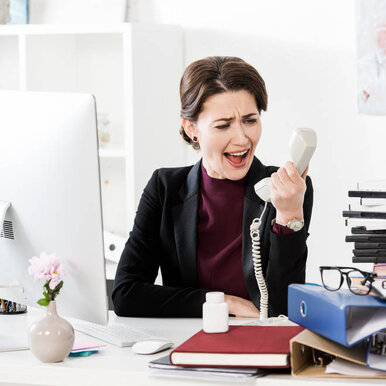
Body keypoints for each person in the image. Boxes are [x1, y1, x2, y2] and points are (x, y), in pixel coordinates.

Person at [112, 56, 313, 318]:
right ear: (192, 129)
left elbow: (284, 310)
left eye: (250, 120)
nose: (242, 138)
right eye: (223, 125)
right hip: (188, 342)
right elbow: (127, 295)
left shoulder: (285, 189)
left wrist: (287, 218)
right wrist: (223, 303)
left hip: (258, 345)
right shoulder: (164, 188)